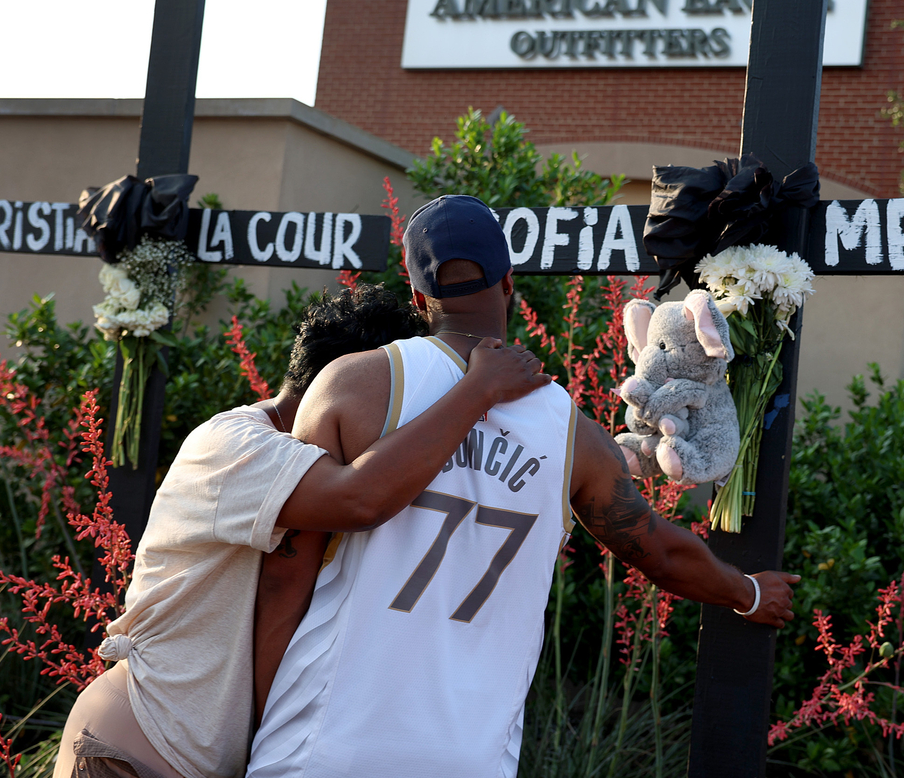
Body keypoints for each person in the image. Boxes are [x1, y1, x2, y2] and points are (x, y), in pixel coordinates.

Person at [247, 195, 800, 778]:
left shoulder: (350, 385)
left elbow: (285, 576)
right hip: (471, 758)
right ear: (509, 283)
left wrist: (259, 727)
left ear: (417, 297)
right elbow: (660, 551)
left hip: (323, 743)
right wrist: (748, 592)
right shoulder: (572, 433)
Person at [53, 284, 550, 778]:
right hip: (138, 744)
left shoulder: (292, 457)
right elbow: (360, 498)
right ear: (348, 382)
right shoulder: (239, 446)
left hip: (187, 749)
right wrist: (477, 390)